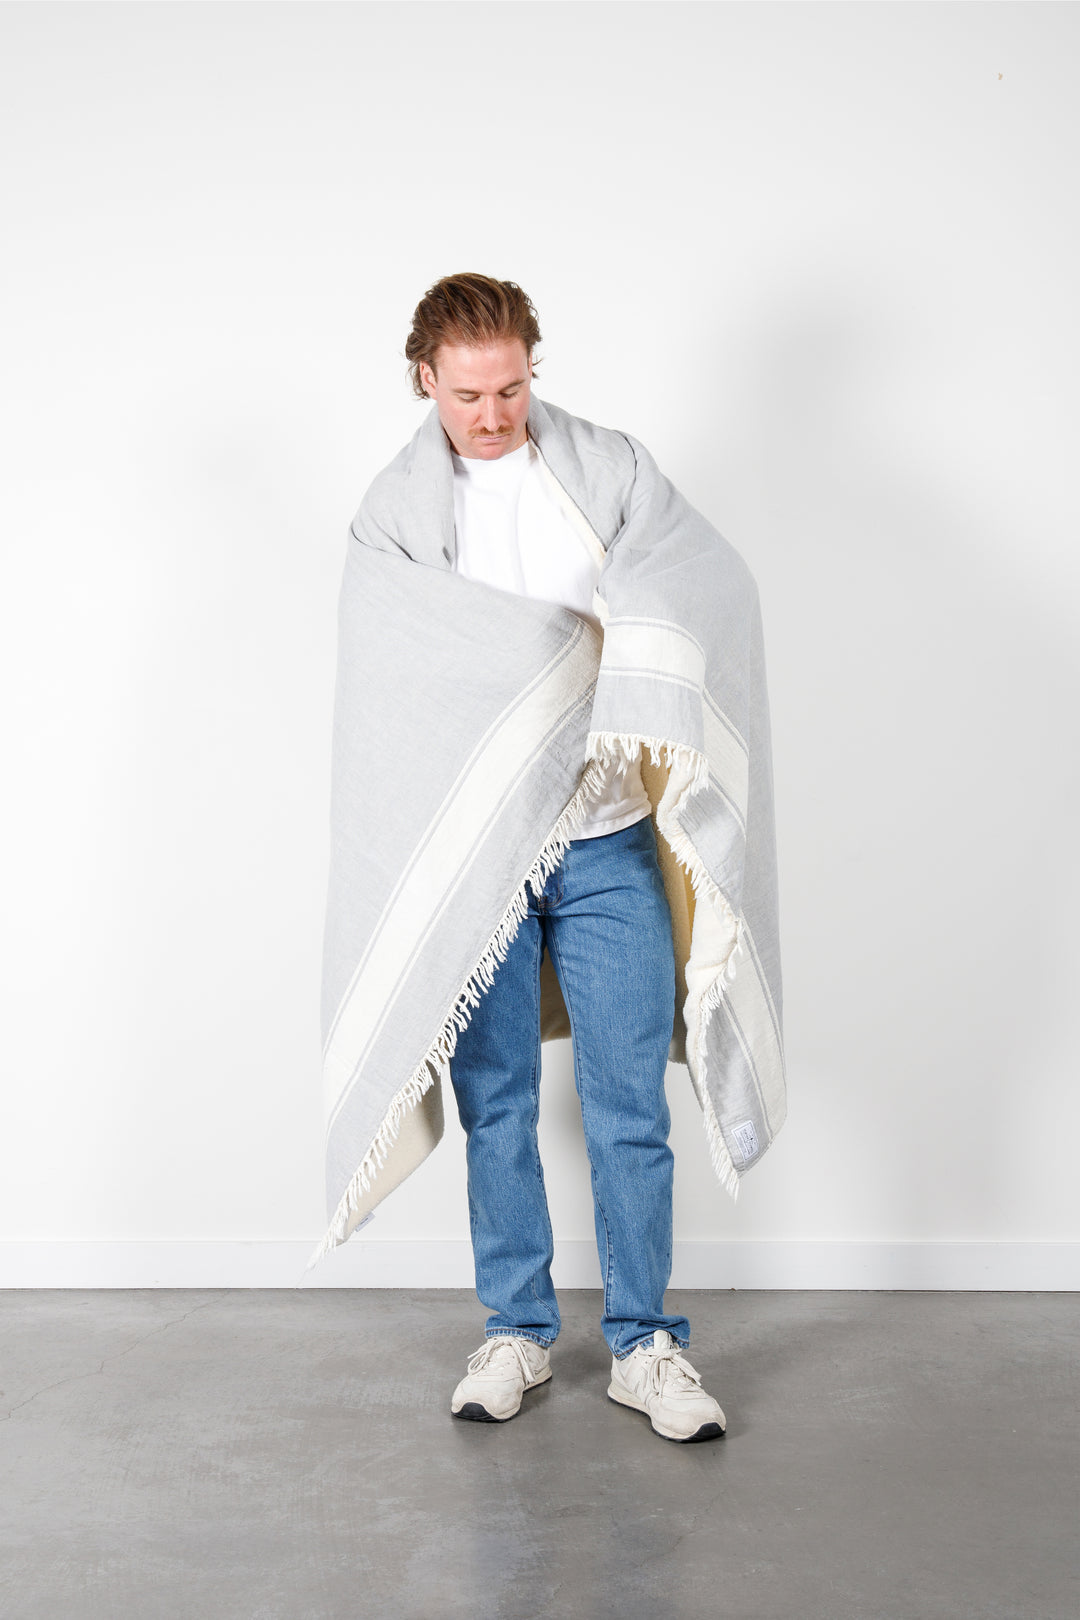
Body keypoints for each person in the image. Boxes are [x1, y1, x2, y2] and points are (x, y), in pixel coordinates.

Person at [399, 272, 727, 1443]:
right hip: (485, 855)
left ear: (535, 367)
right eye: (470, 393)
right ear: (425, 379)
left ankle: (645, 1346)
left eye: (514, 386)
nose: (494, 414)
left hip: (605, 840)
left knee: (628, 1100)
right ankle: (518, 1334)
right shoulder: (400, 520)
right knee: (495, 1102)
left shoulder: (610, 475)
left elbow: (698, 587)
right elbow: (398, 686)